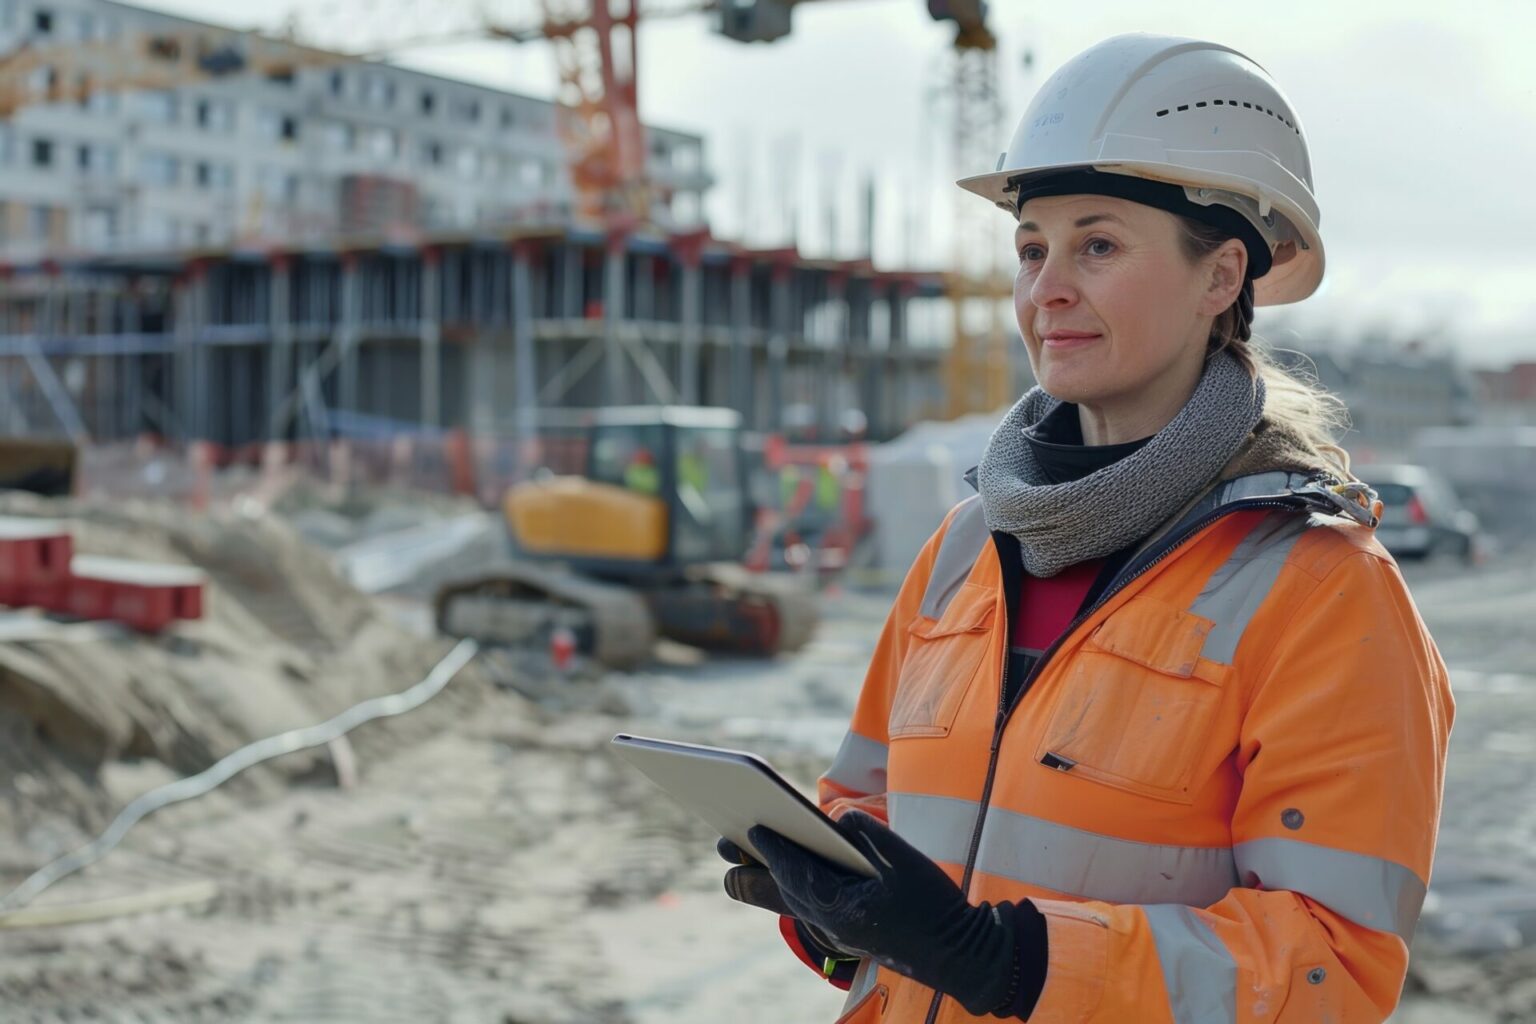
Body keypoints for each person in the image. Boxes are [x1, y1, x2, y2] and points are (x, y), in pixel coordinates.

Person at [715, 33, 1454, 1023]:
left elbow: (1330, 967)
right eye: (1032, 249)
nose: (1045, 289)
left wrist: (1007, 961)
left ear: (1221, 275)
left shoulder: (1324, 591)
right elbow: (870, 800)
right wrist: (833, 906)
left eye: (1097, 245)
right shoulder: (964, 549)